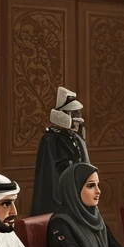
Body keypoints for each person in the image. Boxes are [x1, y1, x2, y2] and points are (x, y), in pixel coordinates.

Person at [45, 163, 124, 247]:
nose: (98, 191)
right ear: (73, 189)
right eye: (91, 186)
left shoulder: (95, 217)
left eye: (98, 185)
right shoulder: (59, 223)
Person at [31, 87, 89, 215]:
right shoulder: (49, 141)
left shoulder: (76, 139)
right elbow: (49, 179)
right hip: (60, 201)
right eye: (71, 114)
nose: (76, 119)